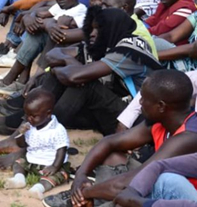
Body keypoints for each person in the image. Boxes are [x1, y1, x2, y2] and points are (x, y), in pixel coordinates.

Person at [44, 70, 197, 207]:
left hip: (179, 198)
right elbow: (110, 142)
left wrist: (86, 192)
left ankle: (83, 198)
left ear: (161, 106)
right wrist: (81, 175)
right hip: (154, 187)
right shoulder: (161, 120)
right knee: (112, 156)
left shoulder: (188, 137)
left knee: (152, 181)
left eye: (143, 99)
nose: (140, 103)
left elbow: (136, 180)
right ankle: (91, 200)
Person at [4, 89, 70, 200]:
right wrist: (21, 134)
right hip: (32, 161)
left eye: (33, 116)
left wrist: (54, 166)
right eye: (27, 115)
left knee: (59, 175)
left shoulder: (57, 130)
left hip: (50, 164)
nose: (29, 118)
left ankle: (39, 188)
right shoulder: (29, 126)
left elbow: (61, 150)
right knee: (18, 162)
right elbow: (22, 145)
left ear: (48, 114)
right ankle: (19, 178)